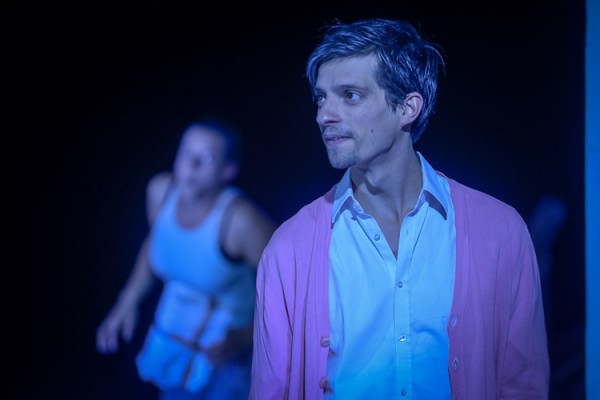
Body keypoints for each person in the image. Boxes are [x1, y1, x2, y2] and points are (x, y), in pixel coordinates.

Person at [250, 18, 550, 399]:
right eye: (321, 98)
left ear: (408, 108)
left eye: (350, 95)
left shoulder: (500, 232)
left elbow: (523, 382)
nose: (324, 115)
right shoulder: (289, 249)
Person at [96, 117, 276, 400]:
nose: (191, 165)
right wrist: (127, 300)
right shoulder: (160, 192)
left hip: (229, 358)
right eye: (186, 152)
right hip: (176, 340)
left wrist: (244, 338)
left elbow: (292, 287)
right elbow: (155, 244)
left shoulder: (239, 222)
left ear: (227, 170)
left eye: (206, 157)